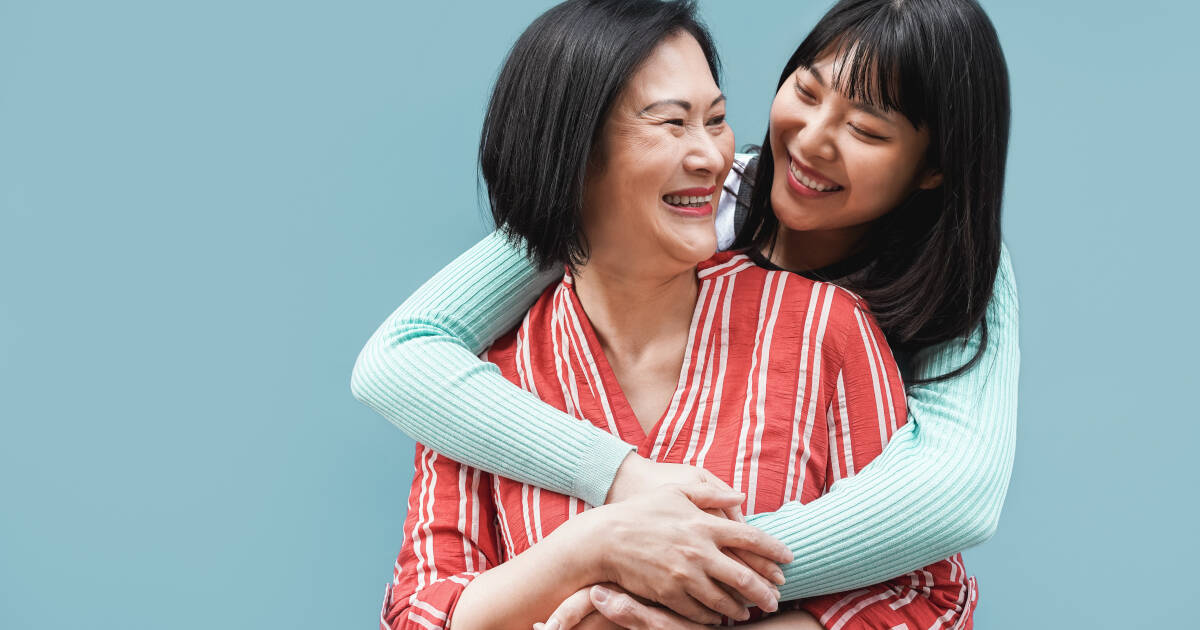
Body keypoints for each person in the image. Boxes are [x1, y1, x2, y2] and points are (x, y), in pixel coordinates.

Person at [355, 0, 1017, 625]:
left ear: (934, 170)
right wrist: (607, 525)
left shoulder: (861, 315)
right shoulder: (713, 190)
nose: (811, 142)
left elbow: (950, 514)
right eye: (807, 94)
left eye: (868, 130)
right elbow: (406, 352)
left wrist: (688, 566)